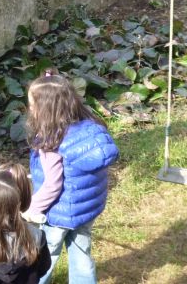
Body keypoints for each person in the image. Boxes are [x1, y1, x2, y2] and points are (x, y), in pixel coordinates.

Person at [26, 71, 119, 284]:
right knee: (82, 252)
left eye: (32, 105)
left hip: (57, 214)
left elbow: (52, 185)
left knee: (46, 255)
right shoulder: (90, 127)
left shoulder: (52, 140)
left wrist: (32, 210)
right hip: (86, 210)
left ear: (45, 109)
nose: (30, 109)